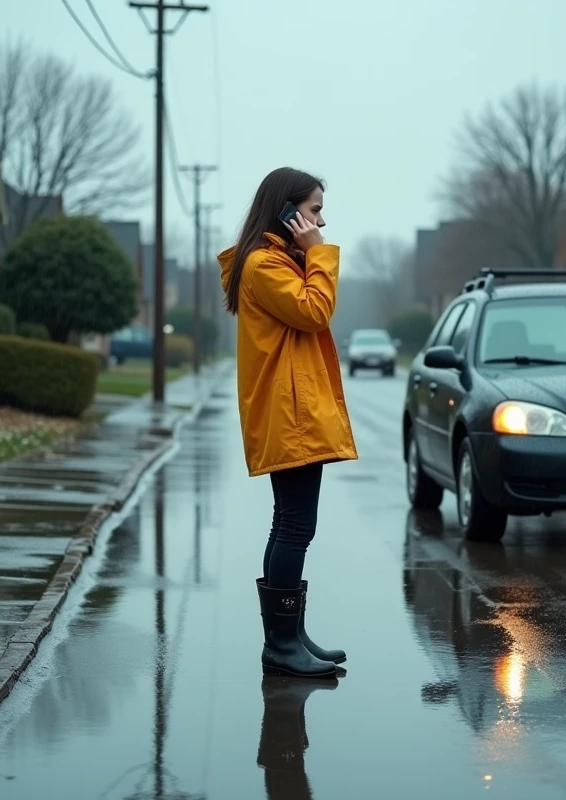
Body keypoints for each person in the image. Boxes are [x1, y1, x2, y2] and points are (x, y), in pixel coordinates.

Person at [218, 167, 357, 679]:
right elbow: (315, 311)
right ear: (288, 210)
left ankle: (290, 635)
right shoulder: (262, 265)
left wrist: (308, 252)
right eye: (315, 209)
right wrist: (318, 250)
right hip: (289, 414)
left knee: (293, 524)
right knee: (295, 526)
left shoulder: (275, 261)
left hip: (294, 411)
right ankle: (280, 645)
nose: (321, 219)